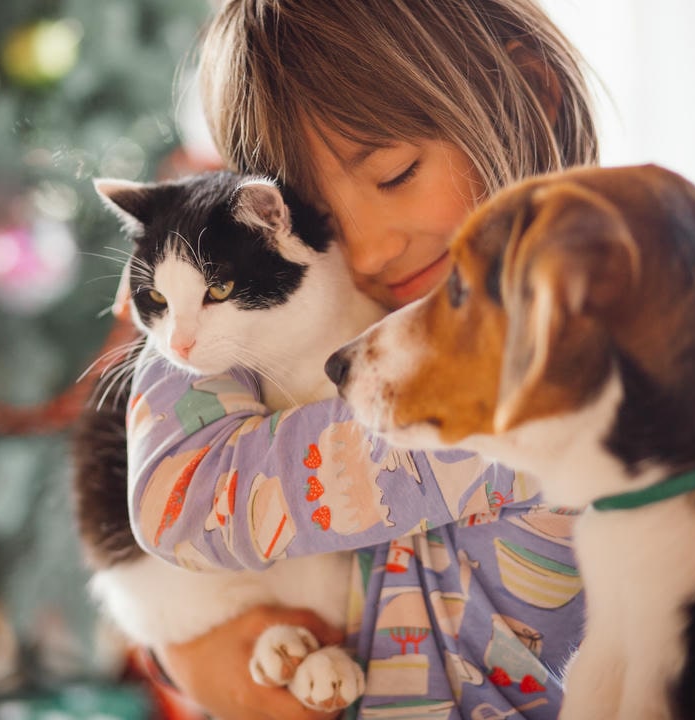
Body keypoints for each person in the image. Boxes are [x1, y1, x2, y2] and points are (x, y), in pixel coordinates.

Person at [124, 1, 600, 718]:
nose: (371, 249)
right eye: (318, 213)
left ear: (529, 90)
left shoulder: (625, 335)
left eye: (396, 173)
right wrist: (192, 656)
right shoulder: (273, 301)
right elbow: (176, 498)